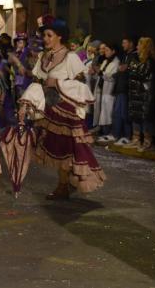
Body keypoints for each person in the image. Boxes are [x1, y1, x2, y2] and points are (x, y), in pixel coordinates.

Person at [20, 18, 105, 200]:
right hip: (50, 108)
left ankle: (65, 184)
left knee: (68, 148)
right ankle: (64, 183)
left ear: (60, 37)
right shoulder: (44, 56)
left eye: (49, 35)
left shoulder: (71, 57)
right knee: (58, 148)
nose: (46, 39)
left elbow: (81, 85)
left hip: (66, 110)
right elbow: (37, 81)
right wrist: (26, 103)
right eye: (44, 35)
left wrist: (58, 83)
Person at [125, 37, 155, 153]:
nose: (137, 47)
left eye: (139, 45)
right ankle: (136, 139)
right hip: (135, 93)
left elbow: (139, 73)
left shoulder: (150, 61)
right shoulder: (135, 58)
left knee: (145, 118)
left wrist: (131, 68)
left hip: (145, 95)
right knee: (136, 116)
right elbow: (131, 71)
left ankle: (147, 142)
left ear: (145, 47)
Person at [112, 37, 138, 146]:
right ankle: (117, 134)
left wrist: (126, 68)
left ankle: (127, 136)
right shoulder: (125, 56)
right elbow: (121, 69)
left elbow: (132, 70)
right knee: (117, 113)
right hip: (120, 88)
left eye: (125, 43)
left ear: (131, 43)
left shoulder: (135, 56)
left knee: (124, 114)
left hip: (127, 89)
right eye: (122, 42)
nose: (122, 45)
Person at [94, 43, 121, 143]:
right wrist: (98, 72)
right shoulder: (105, 61)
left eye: (107, 50)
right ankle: (104, 132)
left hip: (110, 91)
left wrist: (101, 73)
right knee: (103, 111)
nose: (105, 52)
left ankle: (109, 133)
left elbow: (111, 77)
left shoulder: (116, 62)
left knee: (108, 112)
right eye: (104, 50)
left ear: (113, 51)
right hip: (103, 90)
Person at [8, 32, 32, 100]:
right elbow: (9, 61)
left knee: (24, 97)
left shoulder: (28, 52)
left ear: (25, 43)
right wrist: (15, 53)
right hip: (17, 78)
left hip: (26, 78)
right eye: (17, 41)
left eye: (21, 41)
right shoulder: (15, 52)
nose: (18, 43)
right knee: (17, 96)